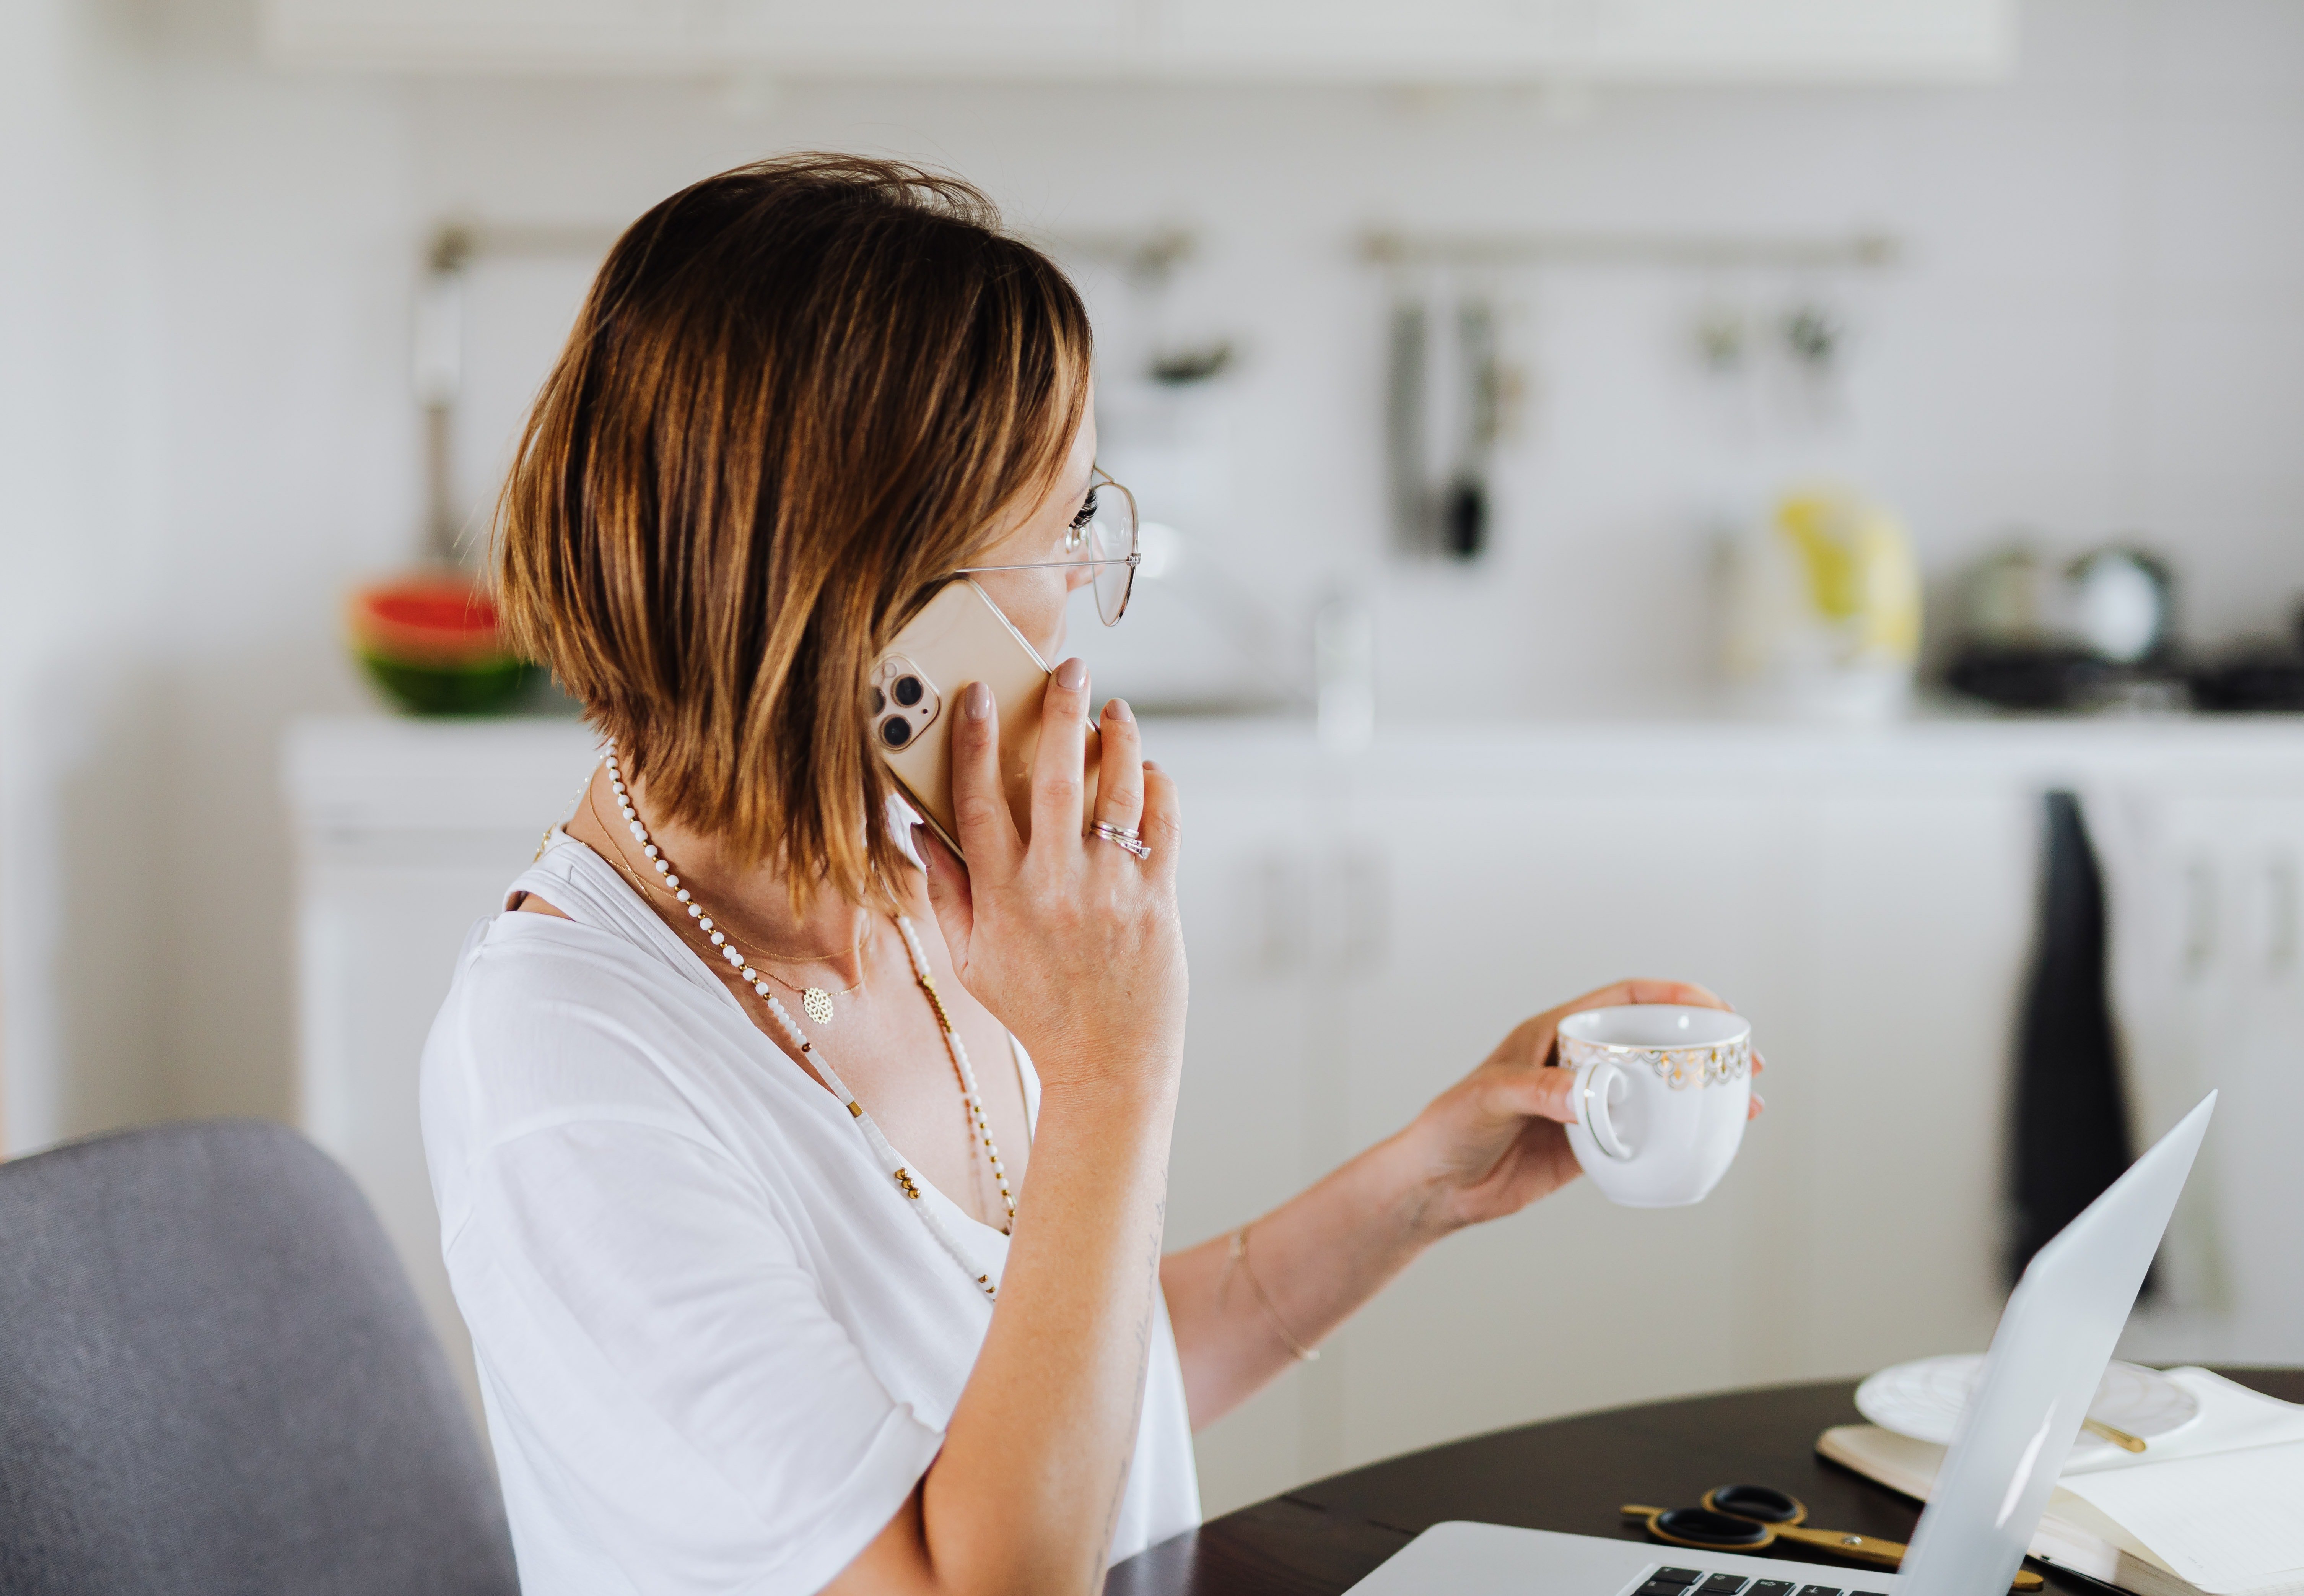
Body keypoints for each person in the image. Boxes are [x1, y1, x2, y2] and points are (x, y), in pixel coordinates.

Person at [420, 153, 1760, 1596]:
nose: (1085, 591)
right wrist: (1118, 1063)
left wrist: (1424, 1185)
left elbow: (1063, 1405)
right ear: (877, 602)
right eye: (1067, 530)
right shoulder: (567, 1078)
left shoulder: (906, 885)